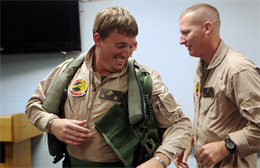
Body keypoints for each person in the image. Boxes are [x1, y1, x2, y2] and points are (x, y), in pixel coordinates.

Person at [25, 6, 192, 168]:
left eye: (132, 45)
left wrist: (159, 160)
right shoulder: (68, 72)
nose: (127, 54)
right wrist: (52, 124)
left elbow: (181, 124)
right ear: (98, 40)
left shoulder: (144, 80)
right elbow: (32, 106)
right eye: (120, 46)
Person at [175, 3, 260, 168]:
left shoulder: (237, 69)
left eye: (186, 33)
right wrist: (191, 138)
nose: (181, 41)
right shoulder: (203, 67)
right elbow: (213, 117)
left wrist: (226, 146)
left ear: (207, 28)